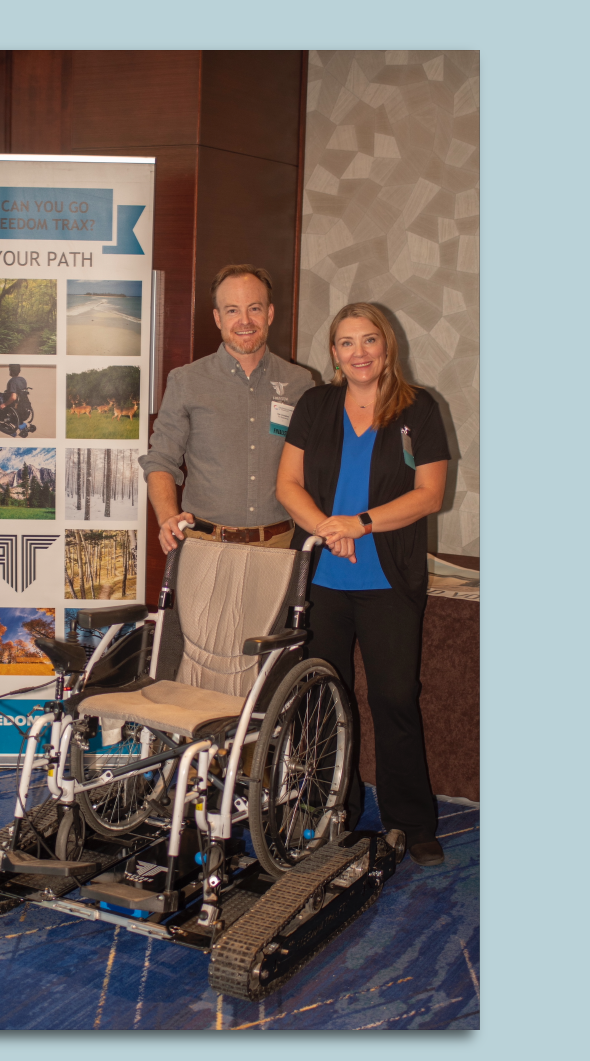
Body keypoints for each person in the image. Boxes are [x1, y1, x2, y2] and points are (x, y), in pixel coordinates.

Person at [276, 302, 451, 866]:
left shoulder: (418, 408)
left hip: (387, 581)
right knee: (323, 697)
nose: (359, 352)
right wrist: (330, 529)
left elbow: (429, 494)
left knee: (394, 698)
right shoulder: (315, 404)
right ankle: (332, 812)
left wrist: (362, 523)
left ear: (387, 346)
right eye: (347, 342)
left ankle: (412, 822)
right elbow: (288, 484)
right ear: (334, 353)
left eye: (369, 341)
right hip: (323, 578)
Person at [140, 264, 318, 552]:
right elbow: (161, 460)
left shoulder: (300, 383)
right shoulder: (186, 380)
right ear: (218, 318)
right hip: (204, 545)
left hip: (280, 545)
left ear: (270, 314)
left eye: (255, 309)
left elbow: (317, 465)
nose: (244, 321)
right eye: (232, 310)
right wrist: (168, 518)